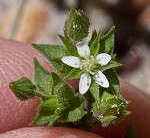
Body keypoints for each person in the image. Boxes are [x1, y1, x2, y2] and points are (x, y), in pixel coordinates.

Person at [0, 38, 150, 138]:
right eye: (87, 65)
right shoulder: (67, 104)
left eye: (90, 65)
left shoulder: (80, 104)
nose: (89, 65)